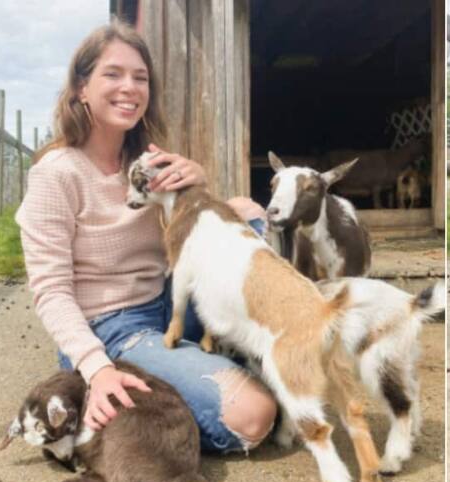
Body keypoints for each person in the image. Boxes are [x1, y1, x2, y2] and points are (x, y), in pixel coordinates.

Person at [16, 21, 277, 452]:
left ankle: (197, 365)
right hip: (111, 329)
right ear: (82, 87)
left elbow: (190, 238)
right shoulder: (54, 174)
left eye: (140, 78)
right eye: (113, 74)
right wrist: (96, 366)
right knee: (253, 417)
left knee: (251, 218)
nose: (130, 87)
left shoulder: (147, 161)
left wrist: (198, 187)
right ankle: (100, 390)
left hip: (166, 302)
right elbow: (51, 290)